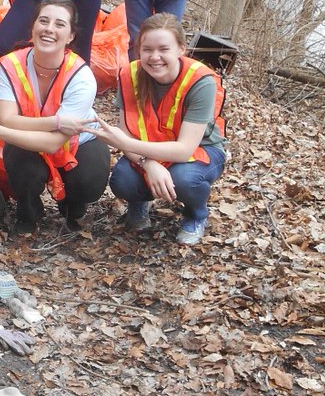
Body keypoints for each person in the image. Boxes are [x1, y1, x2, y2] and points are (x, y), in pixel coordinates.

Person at [0, 0, 109, 232]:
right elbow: (8, 119)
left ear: (71, 36)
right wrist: (57, 121)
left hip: (75, 142)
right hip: (32, 141)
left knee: (89, 179)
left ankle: (73, 205)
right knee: (20, 162)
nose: (49, 29)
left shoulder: (81, 76)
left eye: (60, 24)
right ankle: (28, 210)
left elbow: (52, 143)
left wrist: (0, 131)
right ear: (32, 27)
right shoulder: (11, 65)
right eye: (43, 21)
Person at [88, 13, 226, 245]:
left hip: (199, 151)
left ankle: (196, 215)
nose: (155, 57)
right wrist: (148, 163)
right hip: (149, 149)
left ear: (181, 49)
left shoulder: (200, 81)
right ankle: (139, 203)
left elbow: (183, 150)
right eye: (147, 49)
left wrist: (125, 145)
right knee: (122, 180)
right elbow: (127, 132)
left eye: (164, 49)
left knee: (183, 179)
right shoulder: (129, 75)